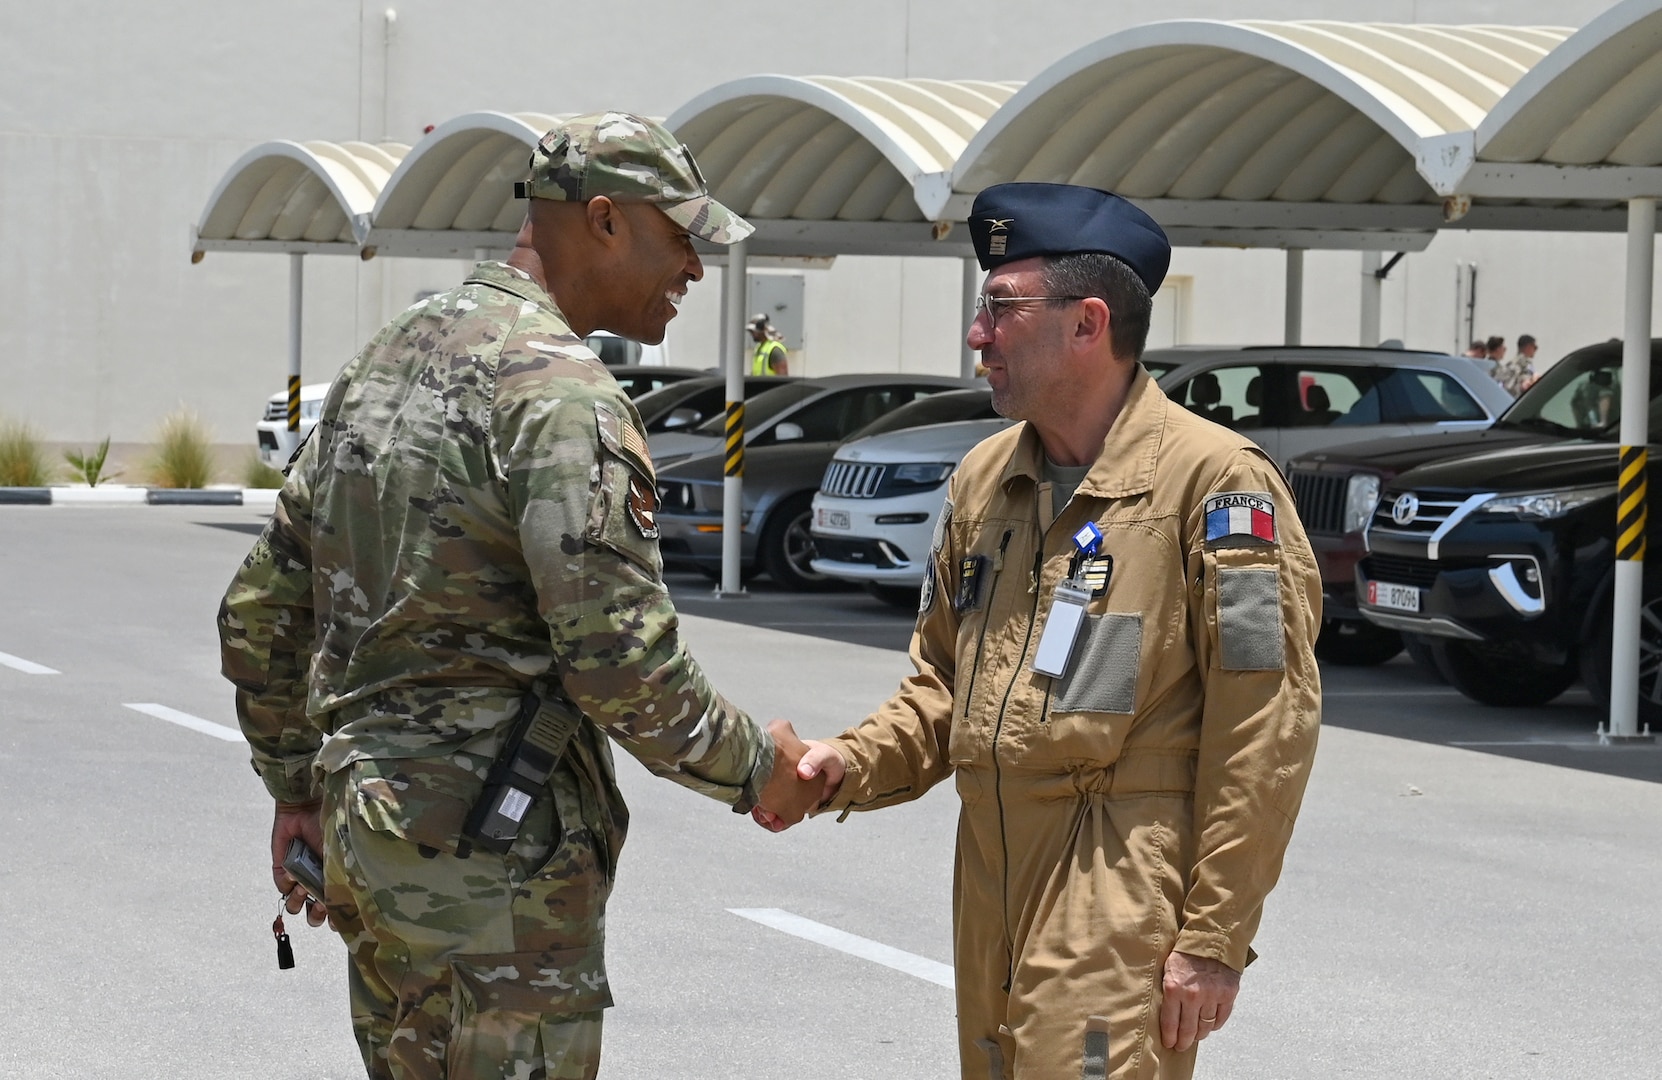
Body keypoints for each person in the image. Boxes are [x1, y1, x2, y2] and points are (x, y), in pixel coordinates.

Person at [218, 112, 822, 1080]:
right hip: (493, 869)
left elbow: (258, 612)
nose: (697, 271)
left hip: (373, 843)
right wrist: (762, 768)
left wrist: (297, 784)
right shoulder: (561, 396)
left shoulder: (385, 363)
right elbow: (622, 664)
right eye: (682, 238)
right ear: (604, 220)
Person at [761, 182, 1323, 1080]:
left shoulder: (1216, 486)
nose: (978, 335)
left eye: (1000, 308)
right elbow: (942, 687)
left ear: (1087, 323)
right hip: (990, 875)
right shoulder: (987, 480)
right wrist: (847, 766)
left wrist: (1215, 934)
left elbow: (1264, 726)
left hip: (1114, 883)